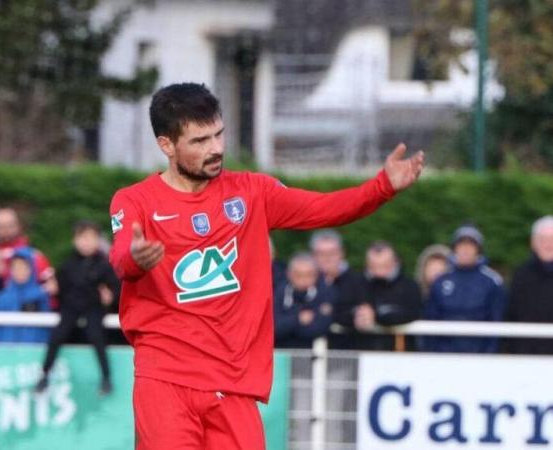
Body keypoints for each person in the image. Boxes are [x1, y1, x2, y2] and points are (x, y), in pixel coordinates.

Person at [108, 82, 423, 449]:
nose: (216, 149)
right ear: (167, 145)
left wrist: (382, 186)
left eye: (219, 135)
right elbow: (120, 256)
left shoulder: (252, 192)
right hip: (165, 378)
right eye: (199, 141)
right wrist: (135, 258)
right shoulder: (136, 201)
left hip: (234, 382)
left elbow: (326, 207)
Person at [35, 221, 120, 395]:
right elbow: (60, 290)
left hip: (94, 307)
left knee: (97, 337)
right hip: (71, 307)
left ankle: (106, 377)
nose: (86, 242)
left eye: (91, 238)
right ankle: (44, 375)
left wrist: (110, 298)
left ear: (98, 240)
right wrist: (55, 290)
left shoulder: (105, 265)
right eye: (82, 238)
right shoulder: (67, 265)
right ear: (75, 240)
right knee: (57, 336)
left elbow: (115, 289)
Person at [422, 224, 506, 353]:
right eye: (461, 244)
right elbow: (431, 318)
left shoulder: (492, 281)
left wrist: (489, 356)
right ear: (455, 248)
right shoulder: (441, 281)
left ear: (478, 249)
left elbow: (497, 320)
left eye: (471, 245)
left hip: (479, 356)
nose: (465, 249)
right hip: (444, 356)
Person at [0, 207, 57, 300]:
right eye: (0, 227)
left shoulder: (34, 256)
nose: (5, 231)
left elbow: (51, 290)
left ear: (18, 226)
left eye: (10, 226)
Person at [353, 241, 422, 350]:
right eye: (374, 265)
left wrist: (376, 316)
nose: (379, 271)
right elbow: (342, 310)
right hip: (363, 354)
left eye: (384, 265)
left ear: (395, 262)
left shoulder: (409, 286)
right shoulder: (356, 283)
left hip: (399, 355)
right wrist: (356, 316)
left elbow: (412, 313)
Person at [310, 230, 370, 350]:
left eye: (332, 253)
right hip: (308, 353)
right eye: (321, 253)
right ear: (313, 255)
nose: (327, 258)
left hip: (348, 352)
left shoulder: (358, 281)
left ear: (341, 253)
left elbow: (363, 313)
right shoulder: (302, 281)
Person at [508, 216, 553, 354]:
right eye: (543, 239)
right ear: (533, 243)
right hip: (526, 354)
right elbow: (511, 313)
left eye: (552, 239)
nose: (548, 244)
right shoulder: (521, 275)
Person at [0, 247, 51, 344]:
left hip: (33, 354)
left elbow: (46, 330)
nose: (20, 271)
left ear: (32, 269)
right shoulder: (1, 298)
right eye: (16, 267)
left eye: (24, 267)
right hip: (5, 353)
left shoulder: (41, 296)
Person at [274, 252, 333, 348]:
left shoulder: (326, 293)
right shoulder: (279, 292)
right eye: (298, 274)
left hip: (314, 353)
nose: (303, 279)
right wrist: (297, 319)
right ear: (288, 274)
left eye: (309, 274)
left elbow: (319, 328)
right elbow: (274, 328)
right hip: (281, 352)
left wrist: (287, 322)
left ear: (316, 274)